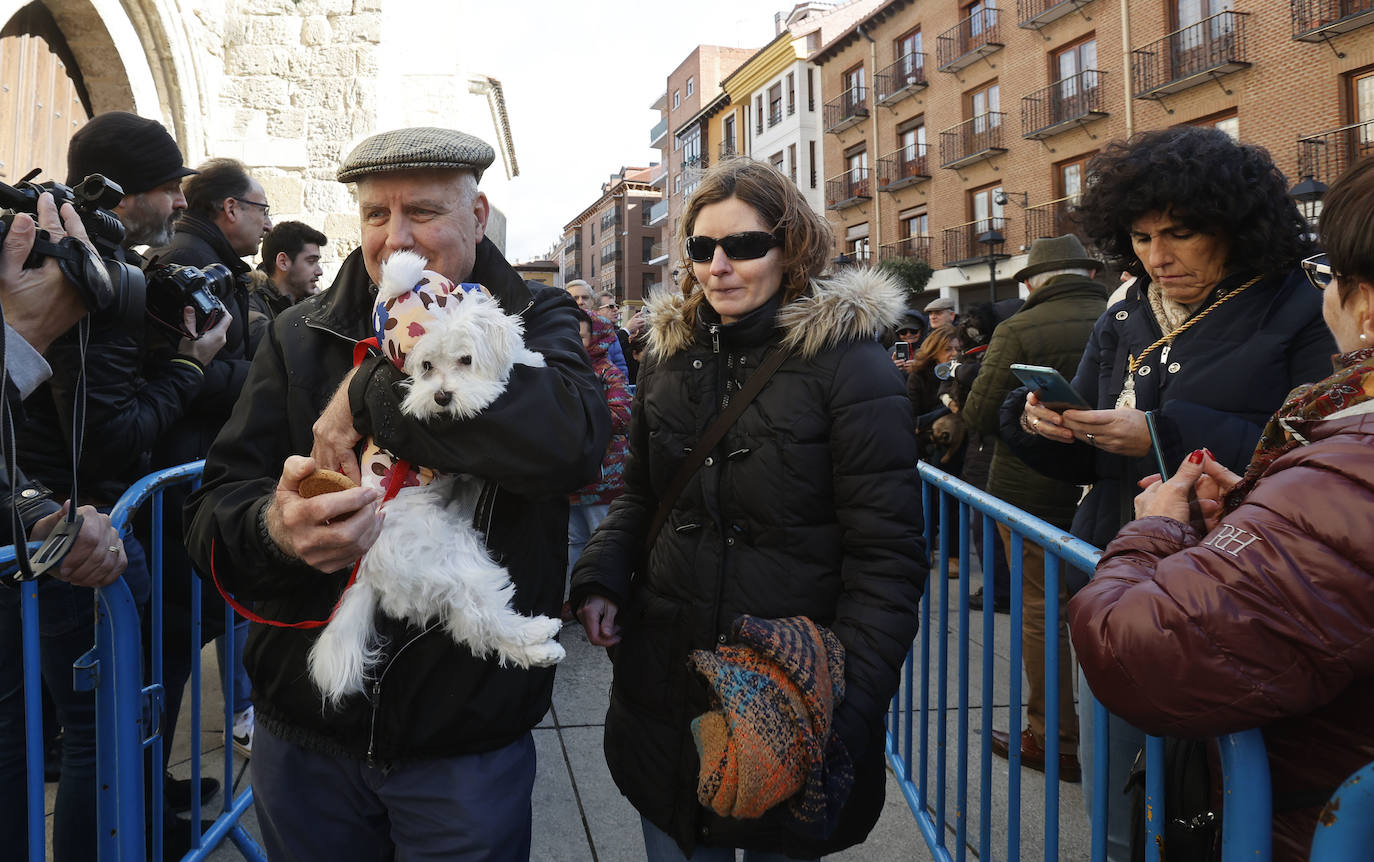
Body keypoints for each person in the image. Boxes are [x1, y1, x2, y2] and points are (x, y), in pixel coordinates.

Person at [183, 127, 608, 861]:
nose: (393, 236)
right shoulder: (297, 332)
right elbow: (215, 511)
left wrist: (367, 388)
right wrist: (278, 529)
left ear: (478, 217)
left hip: (463, 745)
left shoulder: (537, 317)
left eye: (422, 211)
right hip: (306, 734)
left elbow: (567, 443)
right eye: (376, 214)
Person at [570, 158, 925, 860]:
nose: (718, 266)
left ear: (790, 247)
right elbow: (641, 494)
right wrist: (602, 574)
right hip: (666, 675)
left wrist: (843, 709)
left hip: (785, 691)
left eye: (744, 246)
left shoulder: (851, 367)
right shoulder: (668, 357)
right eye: (702, 249)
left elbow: (887, 560)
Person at [1008, 125, 1337, 860]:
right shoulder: (1127, 310)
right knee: (1114, 803)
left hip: (1239, 586)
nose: (1158, 256)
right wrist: (1046, 426)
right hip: (1120, 572)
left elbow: (1319, 443)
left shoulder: (1302, 301)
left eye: (1180, 234)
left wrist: (1161, 430)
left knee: (1222, 798)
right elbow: (1089, 426)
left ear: (1234, 224)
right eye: (1142, 237)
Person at [3, 111, 228, 861]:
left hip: (52, 518)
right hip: (76, 531)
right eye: (168, 189)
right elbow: (112, 431)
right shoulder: (86, 274)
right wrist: (190, 368)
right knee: (103, 737)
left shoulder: (108, 268)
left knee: (73, 735)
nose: (177, 205)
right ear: (124, 195)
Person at [962, 234, 1107, 783]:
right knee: (1110, 606)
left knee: (1042, 612)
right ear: (1089, 273)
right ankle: (1118, 741)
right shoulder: (1120, 316)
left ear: (1031, 283)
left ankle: (1054, 737)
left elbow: (979, 413)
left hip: (1027, 495)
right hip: (1105, 490)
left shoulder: (1019, 328)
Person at [148, 158, 269, 765]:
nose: (266, 224)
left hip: (195, 471)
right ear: (231, 209)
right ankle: (152, 804)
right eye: (261, 209)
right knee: (170, 651)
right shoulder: (191, 264)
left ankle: (157, 796)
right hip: (182, 476)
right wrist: (268, 378)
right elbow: (183, 371)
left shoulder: (206, 260)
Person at [565, 309, 630, 618]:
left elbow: (622, 413)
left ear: (597, 337)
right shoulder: (560, 368)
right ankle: (574, 598)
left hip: (603, 477)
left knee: (601, 540)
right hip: (572, 477)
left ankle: (609, 597)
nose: (575, 341)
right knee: (573, 542)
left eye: (581, 335)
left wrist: (577, 425)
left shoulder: (607, 372)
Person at [249, 220, 327, 350]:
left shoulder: (313, 304)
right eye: (311, 261)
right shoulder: (250, 302)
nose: (319, 272)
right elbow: (268, 344)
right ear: (283, 262)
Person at [906, 324, 959, 465]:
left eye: (958, 349)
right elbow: (913, 420)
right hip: (928, 448)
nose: (954, 354)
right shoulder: (918, 377)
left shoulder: (962, 374)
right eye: (948, 349)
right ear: (934, 351)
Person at [566, 279, 629, 378]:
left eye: (585, 297)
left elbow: (620, 367)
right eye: (575, 298)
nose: (580, 302)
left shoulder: (606, 329)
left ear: (592, 301)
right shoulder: (557, 329)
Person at [888, 308, 926, 376]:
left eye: (913, 331)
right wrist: (891, 367)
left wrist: (921, 368)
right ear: (897, 334)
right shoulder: (891, 352)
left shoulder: (929, 350)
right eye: (903, 332)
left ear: (921, 331)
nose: (908, 335)